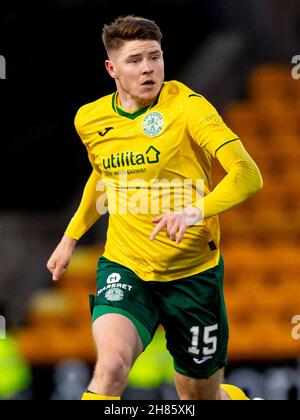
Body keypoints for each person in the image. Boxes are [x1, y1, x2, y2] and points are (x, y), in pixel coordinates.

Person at [47, 15, 263, 401]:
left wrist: (196, 211)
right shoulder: (90, 118)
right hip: (126, 264)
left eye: (155, 57)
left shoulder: (189, 108)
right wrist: (70, 237)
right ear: (112, 68)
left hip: (192, 273)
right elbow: (103, 178)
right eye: (135, 60)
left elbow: (248, 174)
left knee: (199, 398)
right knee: (111, 366)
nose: (148, 68)